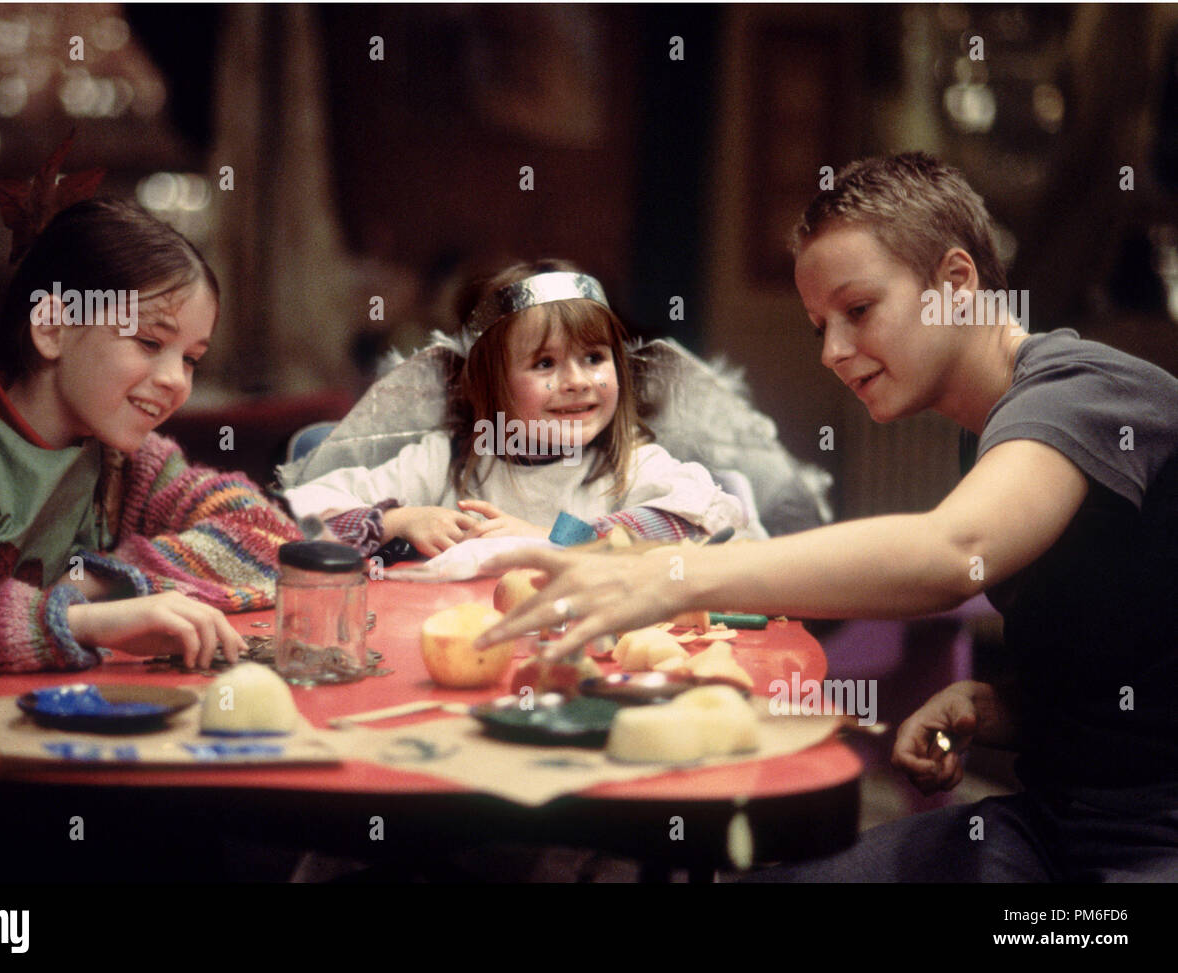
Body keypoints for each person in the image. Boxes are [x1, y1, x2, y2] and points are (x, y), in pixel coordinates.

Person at [478, 153, 1178, 881]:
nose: (834, 352)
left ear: (956, 283)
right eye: (819, 326)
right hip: (1053, 826)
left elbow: (951, 550)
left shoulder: (1085, 395)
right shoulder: (999, 427)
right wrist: (996, 705)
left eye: (859, 310)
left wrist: (679, 574)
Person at [0, 194, 303, 681]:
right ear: (53, 327)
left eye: (190, 358)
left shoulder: (125, 460)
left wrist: (101, 580)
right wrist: (78, 624)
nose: (176, 380)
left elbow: (268, 535)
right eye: (149, 342)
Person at [281, 259, 748, 558]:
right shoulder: (447, 462)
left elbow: (709, 520)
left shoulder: (629, 464)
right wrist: (397, 521)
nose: (578, 381)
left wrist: (553, 539)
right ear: (489, 386)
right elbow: (297, 519)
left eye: (594, 357)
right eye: (545, 363)